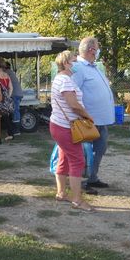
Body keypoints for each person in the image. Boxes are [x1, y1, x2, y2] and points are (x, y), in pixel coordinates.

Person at [49, 50, 97, 211]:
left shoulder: (59, 79)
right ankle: (77, 199)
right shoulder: (66, 81)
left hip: (58, 124)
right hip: (66, 126)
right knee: (77, 160)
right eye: (74, 60)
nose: (77, 62)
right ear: (67, 63)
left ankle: (61, 193)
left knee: (64, 158)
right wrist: (89, 117)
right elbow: (74, 105)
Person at [71, 37, 115, 193]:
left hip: (100, 120)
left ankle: (92, 177)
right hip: (88, 120)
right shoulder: (78, 68)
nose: (98, 50)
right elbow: (73, 93)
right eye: (97, 47)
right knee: (86, 151)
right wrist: (82, 115)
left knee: (100, 149)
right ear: (91, 50)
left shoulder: (94, 67)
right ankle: (83, 181)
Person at [0, 57, 14, 141]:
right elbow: (11, 88)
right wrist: (7, 97)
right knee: (6, 117)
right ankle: (10, 133)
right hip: (5, 99)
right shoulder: (7, 75)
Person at [3, 58, 24, 136]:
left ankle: (16, 130)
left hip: (15, 94)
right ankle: (14, 129)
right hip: (17, 94)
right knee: (14, 111)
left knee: (15, 111)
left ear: (4, 67)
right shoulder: (10, 72)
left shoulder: (7, 73)